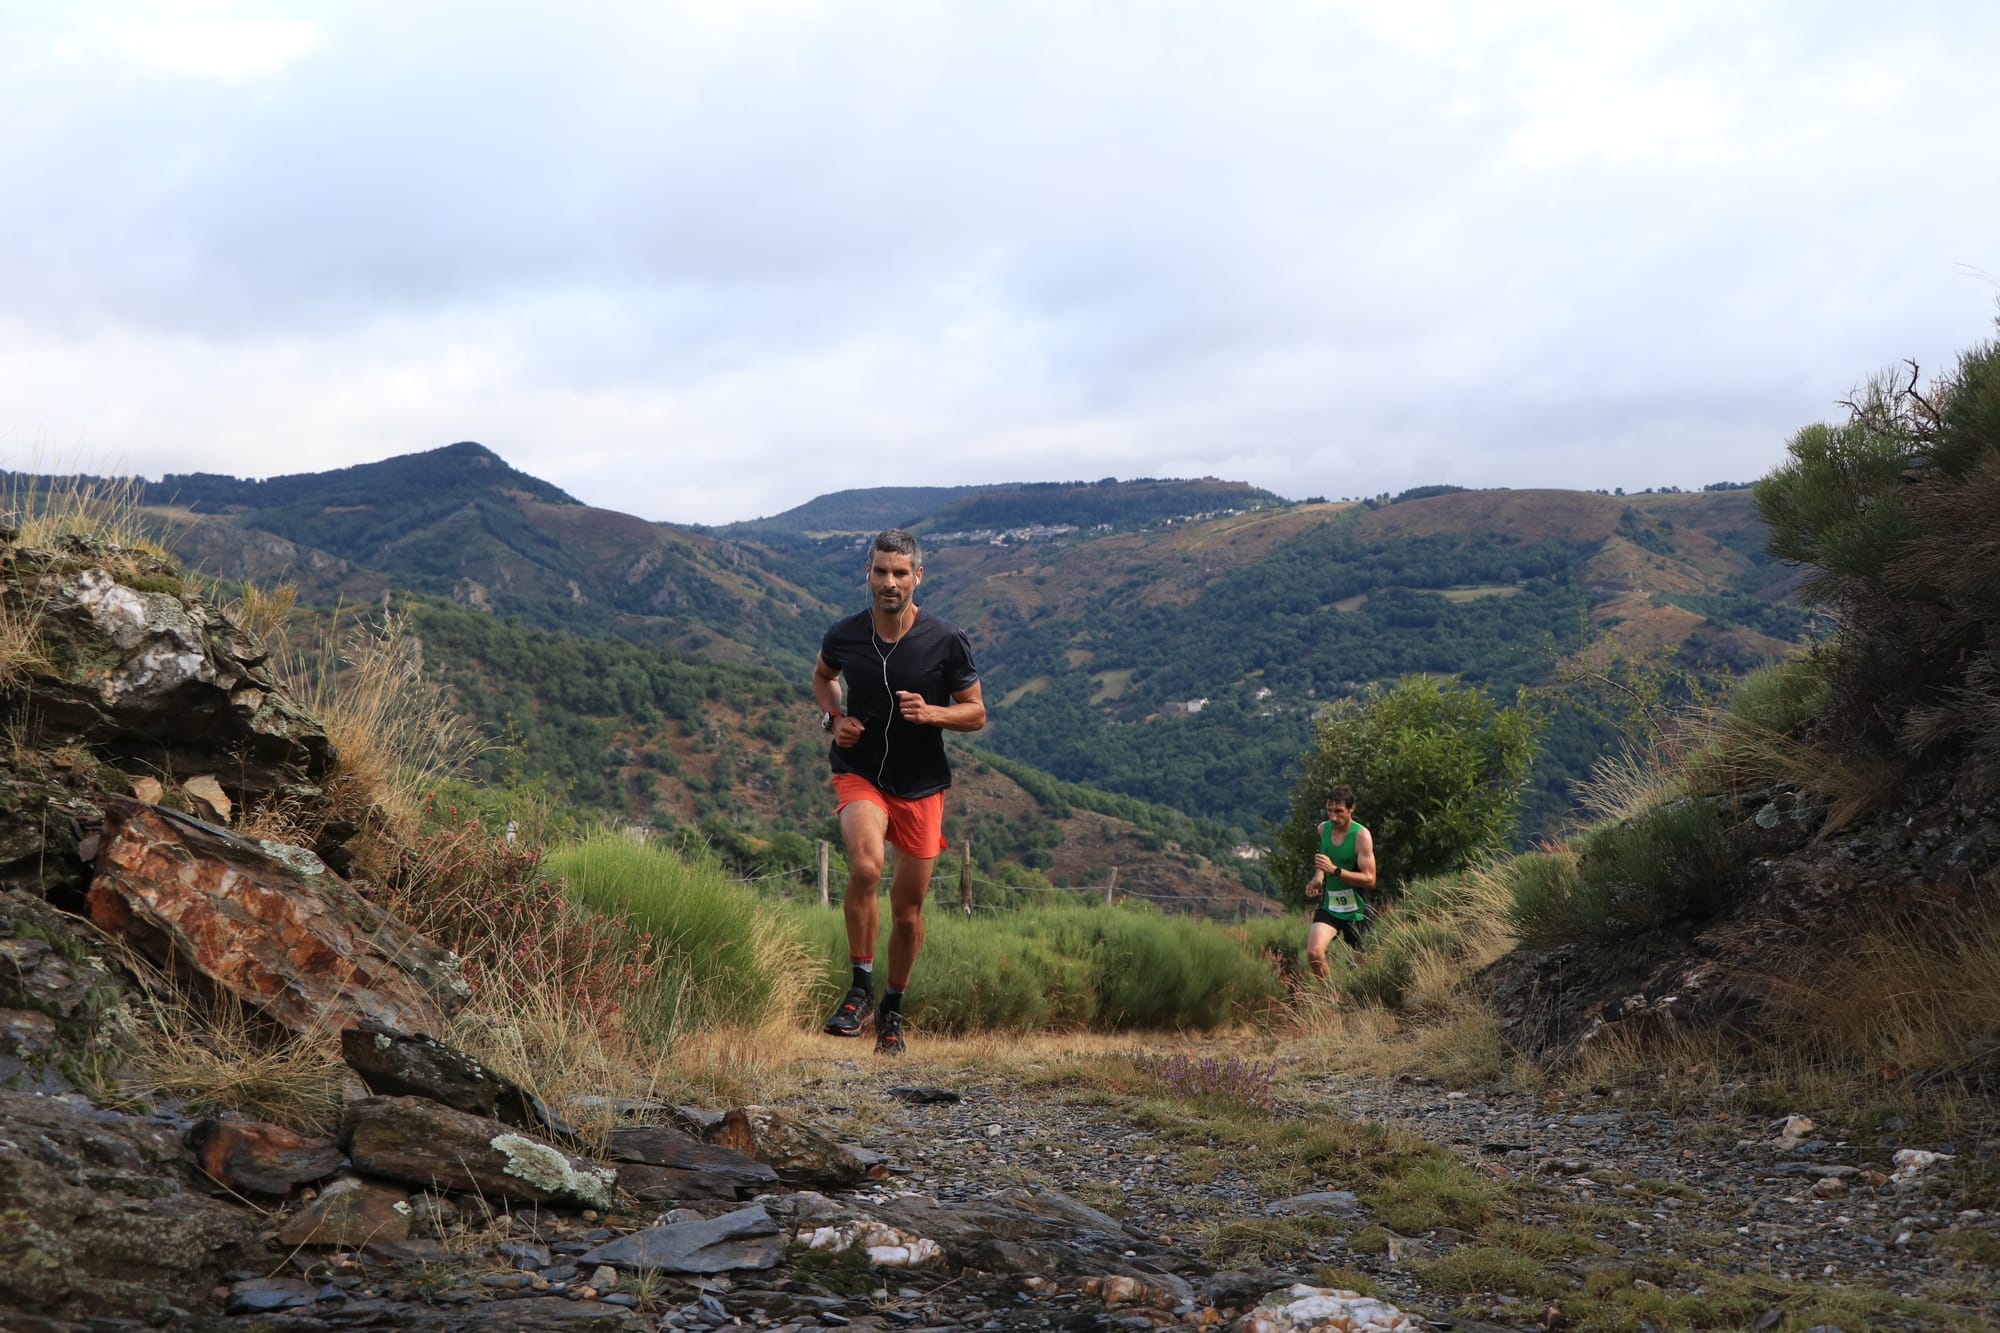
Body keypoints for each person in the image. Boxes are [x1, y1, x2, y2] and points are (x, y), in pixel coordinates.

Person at [812, 529, 985, 1055]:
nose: (890, 582)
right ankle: (860, 990)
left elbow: (975, 712)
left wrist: (933, 713)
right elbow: (824, 679)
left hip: (920, 784)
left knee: (908, 911)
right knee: (866, 867)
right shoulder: (844, 634)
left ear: (917, 577)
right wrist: (832, 719)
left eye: (900, 573)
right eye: (881, 571)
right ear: (868, 573)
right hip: (860, 770)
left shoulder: (945, 639)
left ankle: (892, 1009)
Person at [1304, 784, 1377, 978]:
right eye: (1329, 811)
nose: (1333, 817)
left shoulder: (1361, 836)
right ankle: (1332, 999)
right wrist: (1318, 878)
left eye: (1339, 812)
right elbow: (1324, 859)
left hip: (1357, 910)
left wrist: (1335, 871)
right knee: (1314, 953)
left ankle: (1359, 1003)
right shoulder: (1323, 829)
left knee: (1364, 969)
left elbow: (1370, 879)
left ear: (1351, 809)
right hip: (1331, 906)